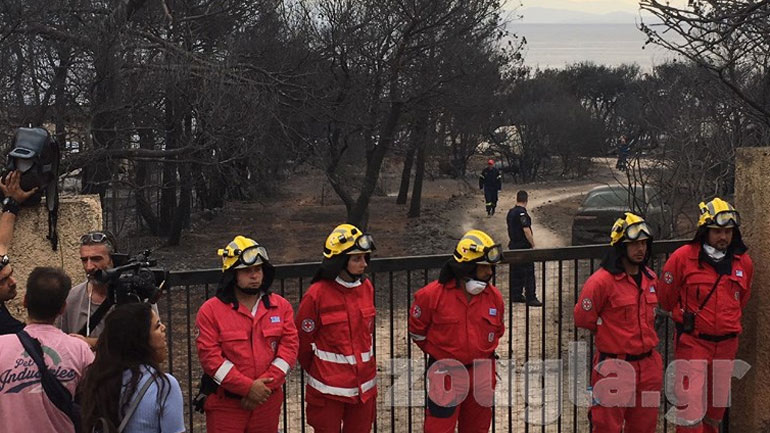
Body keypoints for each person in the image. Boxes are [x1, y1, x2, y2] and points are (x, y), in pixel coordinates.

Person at [658, 198, 752, 433]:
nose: (724, 237)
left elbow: (742, 300)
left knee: (715, 413)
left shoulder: (743, 262)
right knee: (690, 411)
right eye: (718, 231)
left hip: (727, 345)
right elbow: (666, 299)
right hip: (694, 343)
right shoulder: (682, 258)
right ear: (705, 231)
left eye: (728, 231)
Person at [196, 235, 298, 433]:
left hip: (266, 401)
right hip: (226, 405)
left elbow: (289, 350)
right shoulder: (210, 311)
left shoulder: (281, 307)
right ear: (232, 274)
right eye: (247, 271)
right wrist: (248, 389)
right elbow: (211, 359)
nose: (254, 276)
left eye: (258, 269)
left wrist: (263, 388)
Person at [409, 229, 505, 433]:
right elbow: (417, 333)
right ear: (466, 268)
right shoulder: (431, 296)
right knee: (439, 428)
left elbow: (498, 332)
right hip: (446, 373)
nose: (489, 273)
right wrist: (441, 353)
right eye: (483, 268)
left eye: (491, 268)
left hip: (481, 373)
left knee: (478, 428)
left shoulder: (494, 297)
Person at [574, 213, 662, 433]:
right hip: (614, 366)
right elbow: (583, 318)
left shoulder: (650, 278)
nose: (640, 249)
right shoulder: (601, 282)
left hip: (648, 365)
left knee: (645, 427)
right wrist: (611, 335)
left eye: (643, 243)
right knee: (606, 427)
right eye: (633, 244)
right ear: (620, 247)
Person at [295, 223, 377, 433]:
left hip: (363, 389)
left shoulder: (366, 288)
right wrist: (321, 370)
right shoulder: (317, 294)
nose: (364, 264)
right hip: (328, 390)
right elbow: (302, 343)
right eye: (357, 258)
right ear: (340, 261)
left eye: (365, 258)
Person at [0, 267, 94, 433]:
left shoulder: (1, 346)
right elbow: (92, 402)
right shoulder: (80, 350)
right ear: (63, 308)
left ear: (25, 301)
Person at [80, 302, 185, 433]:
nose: (164, 328)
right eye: (157, 326)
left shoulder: (98, 380)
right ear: (141, 339)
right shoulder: (163, 386)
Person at [58, 231, 157, 348]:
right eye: (84, 260)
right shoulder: (72, 298)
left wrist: (93, 343)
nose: (89, 267)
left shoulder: (136, 294)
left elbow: (151, 344)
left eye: (96, 259)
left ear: (113, 259)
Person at [0, 171, 38, 335]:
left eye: (10, 274)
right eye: (3, 280)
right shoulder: (5, 325)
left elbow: (1, 242)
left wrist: (11, 203)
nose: (13, 282)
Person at [506, 190, 542, 306]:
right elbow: (526, 230)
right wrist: (532, 244)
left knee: (516, 271)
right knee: (528, 273)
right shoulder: (522, 213)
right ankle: (531, 297)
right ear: (526, 200)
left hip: (513, 246)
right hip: (523, 247)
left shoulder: (510, 212)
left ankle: (515, 294)